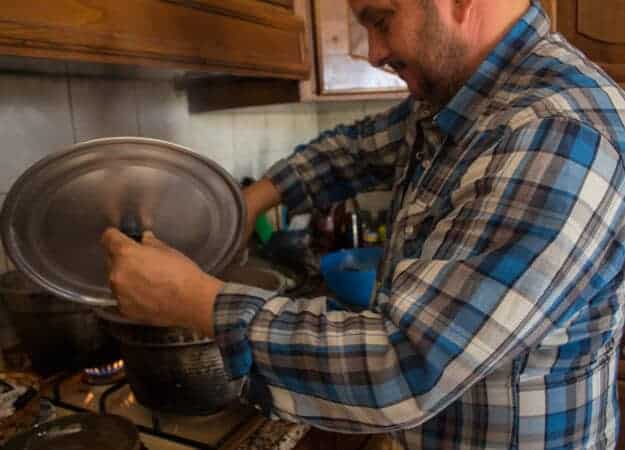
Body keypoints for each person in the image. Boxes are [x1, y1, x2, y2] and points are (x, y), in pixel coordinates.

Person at [101, 0, 625, 448]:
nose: (374, 52)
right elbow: (355, 149)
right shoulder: (470, 98)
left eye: (380, 18)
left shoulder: (555, 132)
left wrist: (196, 300)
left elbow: (405, 365)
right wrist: (251, 202)